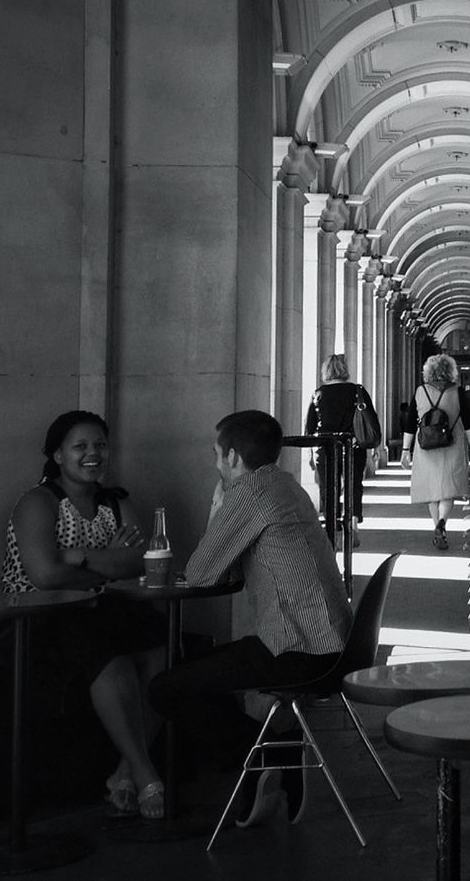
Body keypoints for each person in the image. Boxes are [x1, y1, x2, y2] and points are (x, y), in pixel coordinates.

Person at [148, 410, 354, 827]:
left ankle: (263, 754)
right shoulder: (287, 485)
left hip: (297, 649)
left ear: (234, 458)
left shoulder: (249, 494)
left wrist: (216, 504)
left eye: (216, 455)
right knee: (194, 674)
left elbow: (203, 574)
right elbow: (236, 573)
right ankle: (271, 755)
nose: (214, 465)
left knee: (166, 689)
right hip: (336, 645)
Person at [2, 410, 167, 819]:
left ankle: (124, 773)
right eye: (80, 446)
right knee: (113, 664)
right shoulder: (38, 502)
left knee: (164, 652)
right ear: (57, 455)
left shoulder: (117, 501)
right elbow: (44, 575)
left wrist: (79, 557)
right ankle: (146, 775)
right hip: (40, 617)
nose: (93, 453)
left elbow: (140, 564)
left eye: (100, 445)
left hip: (99, 607)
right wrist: (110, 561)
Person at [399, 354, 470, 549]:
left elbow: (409, 424)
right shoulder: (458, 392)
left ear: (428, 371)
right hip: (453, 443)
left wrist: (405, 450)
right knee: (447, 490)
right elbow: (469, 424)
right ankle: (442, 522)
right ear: (451, 371)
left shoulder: (420, 391)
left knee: (432, 491)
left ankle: (438, 527)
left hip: (426, 446)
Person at [304, 352, 376, 546]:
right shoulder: (357, 391)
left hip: (325, 448)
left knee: (328, 487)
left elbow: (310, 428)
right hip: (353, 446)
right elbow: (371, 419)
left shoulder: (318, 393)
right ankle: (352, 525)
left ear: (325, 371)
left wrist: (310, 454)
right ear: (344, 370)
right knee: (354, 485)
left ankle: (331, 526)